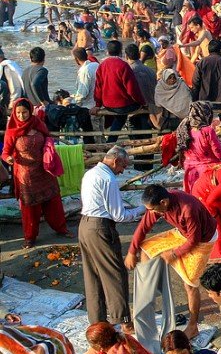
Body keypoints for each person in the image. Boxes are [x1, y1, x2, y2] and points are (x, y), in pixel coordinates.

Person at [126, 184, 218, 348]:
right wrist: (132, 251)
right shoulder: (158, 206)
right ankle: (149, 290)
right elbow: (143, 227)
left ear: (164, 202)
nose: (152, 213)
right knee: (146, 249)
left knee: (190, 284)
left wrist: (173, 254)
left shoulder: (187, 208)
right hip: (181, 233)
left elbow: (193, 240)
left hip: (203, 239)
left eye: (153, 209)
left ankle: (193, 325)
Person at [79, 146, 145, 329]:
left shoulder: (90, 173)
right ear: (116, 161)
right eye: (123, 166)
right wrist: (141, 209)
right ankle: (122, 320)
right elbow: (119, 215)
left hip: (84, 226)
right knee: (114, 274)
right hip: (101, 228)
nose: (122, 170)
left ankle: (97, 321)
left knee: (92, 275)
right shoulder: (108, 179)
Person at [1, 97, 71, 248]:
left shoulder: (38, 123)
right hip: (26, 175)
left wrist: (49, 149)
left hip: (44, 170)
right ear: (14, 113)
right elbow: (5, 152)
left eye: (24, 112)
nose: (21, 116)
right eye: (18, 113)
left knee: (53, 202)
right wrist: (8, 158)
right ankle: (30, 237)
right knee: (29, 209)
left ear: (30, 111)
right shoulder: (12, 130)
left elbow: (47, 137)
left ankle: (61, 228)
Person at [93, 40, 148, 143]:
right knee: (124, 117)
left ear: (107, 51)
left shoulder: (102, 65)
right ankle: (115, 142)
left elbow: (98, 87)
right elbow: (132, 89)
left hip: (108, 104)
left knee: (119, 120)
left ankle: (110, 143)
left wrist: (98, 104)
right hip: (123, 105)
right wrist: (142, 102)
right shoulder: (123, 65)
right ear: (121, 51)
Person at [177, 101, 221, 193]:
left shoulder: (184, 129)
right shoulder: (207, 131)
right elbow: (219, 153)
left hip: (191, 173)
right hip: (208, 173)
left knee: (195, 201)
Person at [191, 40, 221, 109]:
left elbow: (195, 82)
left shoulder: (202, 63)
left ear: (208, 50)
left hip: (205, 101)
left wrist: (194, 100)